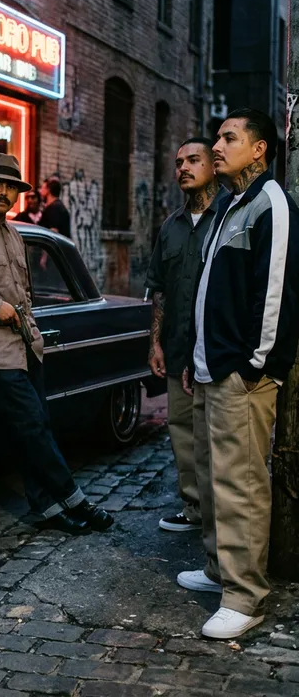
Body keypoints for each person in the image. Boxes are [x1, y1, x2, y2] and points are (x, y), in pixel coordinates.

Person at [0, 153, 113, 536]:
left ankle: (46, 506)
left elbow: (24, 292)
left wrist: (31, 331)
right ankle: (76, 498)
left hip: (27, 345)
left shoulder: (14, 233)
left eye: (11, 186)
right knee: (32, 426)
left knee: (35, 427)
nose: (4, 191)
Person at [179, 109, 299, 639]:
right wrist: (195, 356)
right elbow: (210, 289)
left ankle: (245, 596)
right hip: (210, 367)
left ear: (260, 148)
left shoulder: (271, 203)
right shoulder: (230, 204)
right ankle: (218, 570)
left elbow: (275, 292)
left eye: (229, 137)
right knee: (212, 478)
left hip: (240, 374)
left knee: (242, 484)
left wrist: (255, 366)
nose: (217, 145)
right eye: (217, 137)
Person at [145, 138, 223, 534]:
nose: (183, 169)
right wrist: (155, 342)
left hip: (218, 353)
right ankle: (194, 509)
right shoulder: (171, 226)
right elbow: (159, 288)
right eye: (178, 163)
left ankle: (222, 516)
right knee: (181, 430)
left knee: (218, 437)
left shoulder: (230, 218)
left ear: (213, 165)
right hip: (177, 349)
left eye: (193, 160)